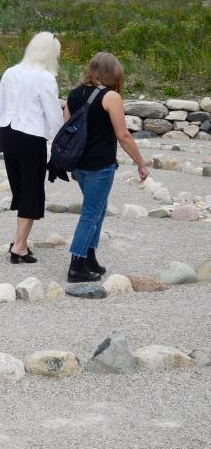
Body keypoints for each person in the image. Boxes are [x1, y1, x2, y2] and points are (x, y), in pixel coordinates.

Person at [64, 52, 149, 282]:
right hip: (100, 165)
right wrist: (140, 162)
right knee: (91, 213)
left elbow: (67, 129)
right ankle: (76, 265)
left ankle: (89, 257)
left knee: (98, 210)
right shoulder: (111, 97)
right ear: (114, 73)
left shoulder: (73, 94)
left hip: (80, 165)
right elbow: (123, 135)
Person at [0, 31, 64, 264]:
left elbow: (1, 105)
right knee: (32, 190)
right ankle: (19, 246)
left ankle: (18, 241)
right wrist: (61, 141)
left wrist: (0, 134)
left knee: (21, 190)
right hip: (31, 136)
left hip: (8, 133)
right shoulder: (45, 78)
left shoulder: (10, 72)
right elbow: (53, 113)